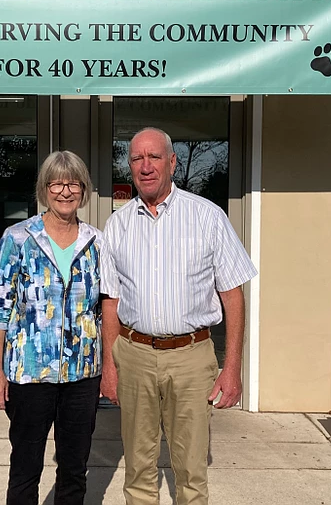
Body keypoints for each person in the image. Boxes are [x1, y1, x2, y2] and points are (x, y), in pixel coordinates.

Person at [100, 128, 258, 505]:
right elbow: (110, 300)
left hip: (191, 357)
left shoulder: (207, 216)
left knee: (191, 470)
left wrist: (232, 366)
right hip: (134, 355)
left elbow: (232, 295)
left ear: (172, 163)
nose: (145, 166)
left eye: (154, 157)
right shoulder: (117, 226)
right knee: (138, 468)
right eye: (137, 158)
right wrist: (110, 364)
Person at [0, 150, 103, 505]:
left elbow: (107, 307)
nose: (65, 191)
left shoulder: (97, 242)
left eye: (73, 183)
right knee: (25, 468)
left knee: (74, 469)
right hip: (29, 373)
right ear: (44, 188)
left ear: (84, 190)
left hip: (82, 374)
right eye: (57, 183)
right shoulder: (18, 238)